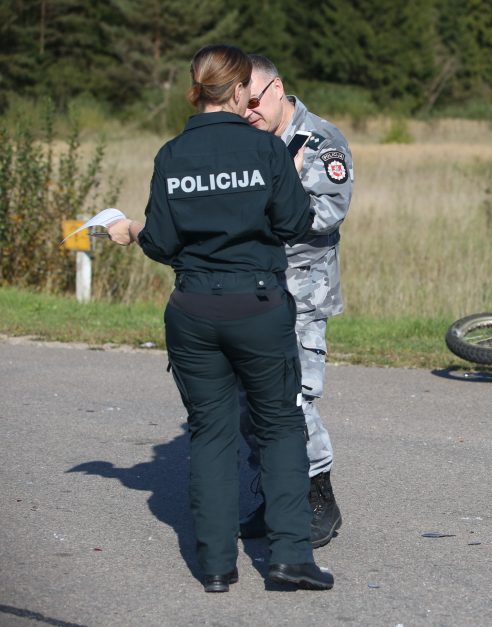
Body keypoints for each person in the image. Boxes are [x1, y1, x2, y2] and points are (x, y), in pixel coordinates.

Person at [105, 44, 333, 593]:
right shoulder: (266, 149)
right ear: (236, 92)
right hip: (256, 304)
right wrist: (283, 179)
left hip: (193, 307)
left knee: (209, 433)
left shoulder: (171, 154)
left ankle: (214, 566)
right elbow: (298, 223)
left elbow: (160, 242)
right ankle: (290, 558)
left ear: (196, 91)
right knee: (279, 427)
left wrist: (132, 230)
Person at [236, 54, 353, 549]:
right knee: (253, 403)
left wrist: (267, 202)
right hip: (252, 291)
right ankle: (276, 496)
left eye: (255, 101)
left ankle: (317, 497)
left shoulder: (320, 141)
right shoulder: (249, 140)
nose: (249, 112)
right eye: (241, 105)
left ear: (278, 87)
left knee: (293, 399)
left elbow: (326, 213)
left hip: (301, 291)